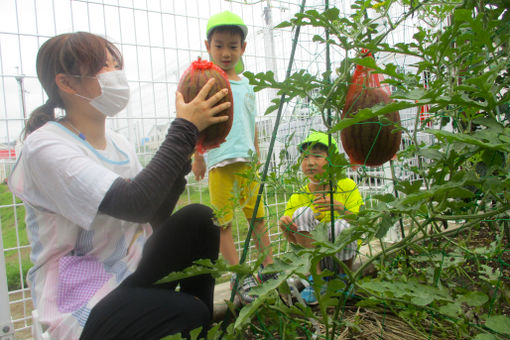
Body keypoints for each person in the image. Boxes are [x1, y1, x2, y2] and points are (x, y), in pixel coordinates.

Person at [8, 32, 231, 340]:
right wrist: (184, 129)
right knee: (187, 309)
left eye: (116, 64)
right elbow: (134, 203)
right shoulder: (45, 146)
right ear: (67, 83)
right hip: (82, 303)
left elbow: (153, 214)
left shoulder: (120, 144)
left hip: (128, 273)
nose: (117, 74)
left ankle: (199, 331)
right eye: (104, 66)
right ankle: (193, 315)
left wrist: (188, 145)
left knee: (199, 219)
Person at [191, 11, 276, 304]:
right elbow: (196, 122)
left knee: (258, 216)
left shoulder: (247, 85)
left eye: (233, 46)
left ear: (243, 48)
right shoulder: (206, 83)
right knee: (223, 223)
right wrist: (197, 155)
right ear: (208, 46)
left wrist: (256, 151)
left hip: (247, 162)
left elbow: (251, 121)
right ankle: (239, 276)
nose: (226, 52)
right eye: (219, 45)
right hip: (219, 162)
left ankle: (269, 268)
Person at [279, 131, 364, 305]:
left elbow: (361, 224)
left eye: (317, 156)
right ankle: (316, 282)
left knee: (341, 226)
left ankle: (343, 281)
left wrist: (340, 208)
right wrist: (286, 228)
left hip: (341, 258)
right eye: (305, 157)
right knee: (302, 212)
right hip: (313, 261)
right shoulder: (298, 196)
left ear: (333, 160)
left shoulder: (346, 186)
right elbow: (294, 242)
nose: (310, 162)